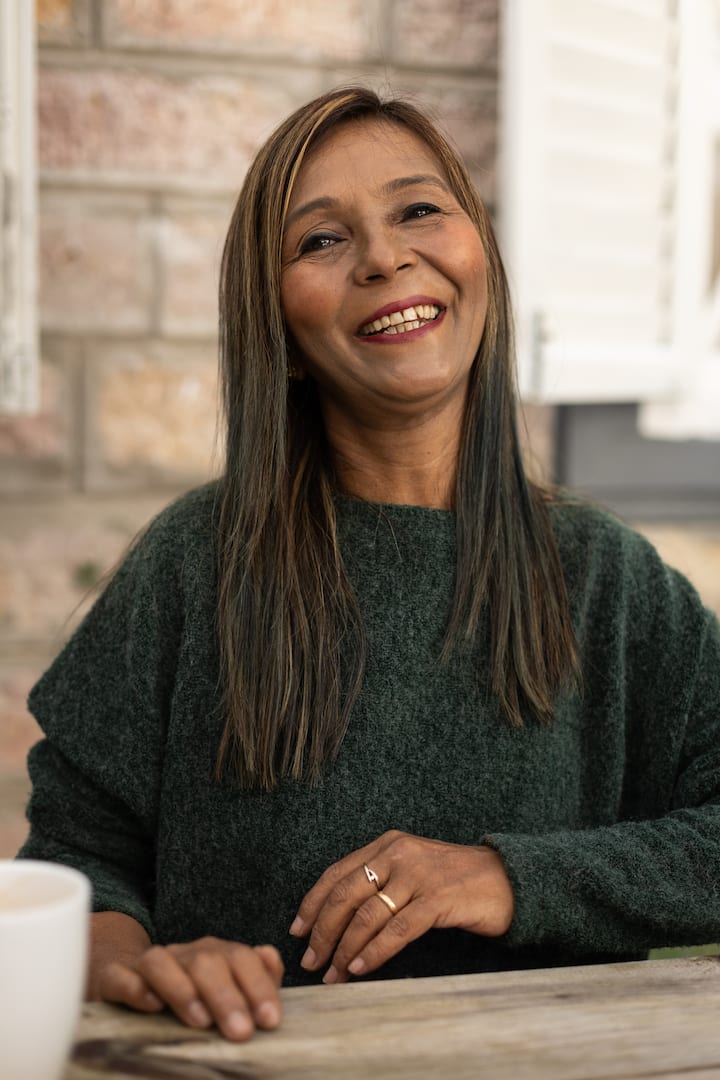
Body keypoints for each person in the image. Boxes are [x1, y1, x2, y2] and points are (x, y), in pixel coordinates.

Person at [18, 86, 720, 1044]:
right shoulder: (196, 568)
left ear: (484, 259)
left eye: (418, 209)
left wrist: (508, 876)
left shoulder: (609, 583)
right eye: (320, 240)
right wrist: (141, 967)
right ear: (282, 332)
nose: (385, 257)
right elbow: (78, 863)